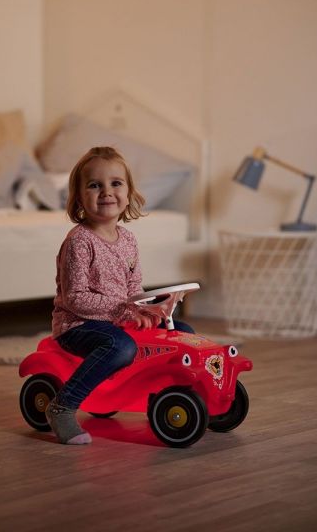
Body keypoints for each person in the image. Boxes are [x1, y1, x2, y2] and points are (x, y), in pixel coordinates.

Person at [46, 146, 194, 445]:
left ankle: (172, 400)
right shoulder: (79, 242)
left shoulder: (128, 239)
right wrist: (126, 309)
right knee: (121, 347)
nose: (106, 192)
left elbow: (133, 289)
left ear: (128, 193)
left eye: (115, 183)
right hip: (78, 325)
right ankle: (63, 406)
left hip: (117, 320)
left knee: (182, 333)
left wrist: (148, 309)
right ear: (79, 198)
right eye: (94, 185)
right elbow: (76, 298)